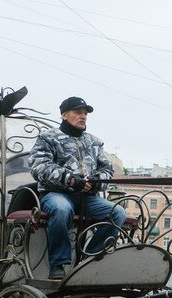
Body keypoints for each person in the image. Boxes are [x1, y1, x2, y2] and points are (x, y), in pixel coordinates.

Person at [28, 96, 127, 279]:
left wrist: (95, 182)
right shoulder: (48, 138)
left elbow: (107, 169)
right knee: (61, 209)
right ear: (64, 115)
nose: (83, 116)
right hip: (56, 193)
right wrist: (70, 179)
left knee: (118, 213)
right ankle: (58, 264)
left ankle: (88, 259)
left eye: (85, 113)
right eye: (78, 112)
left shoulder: (94, 142)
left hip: (87, 197)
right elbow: (38, 166)